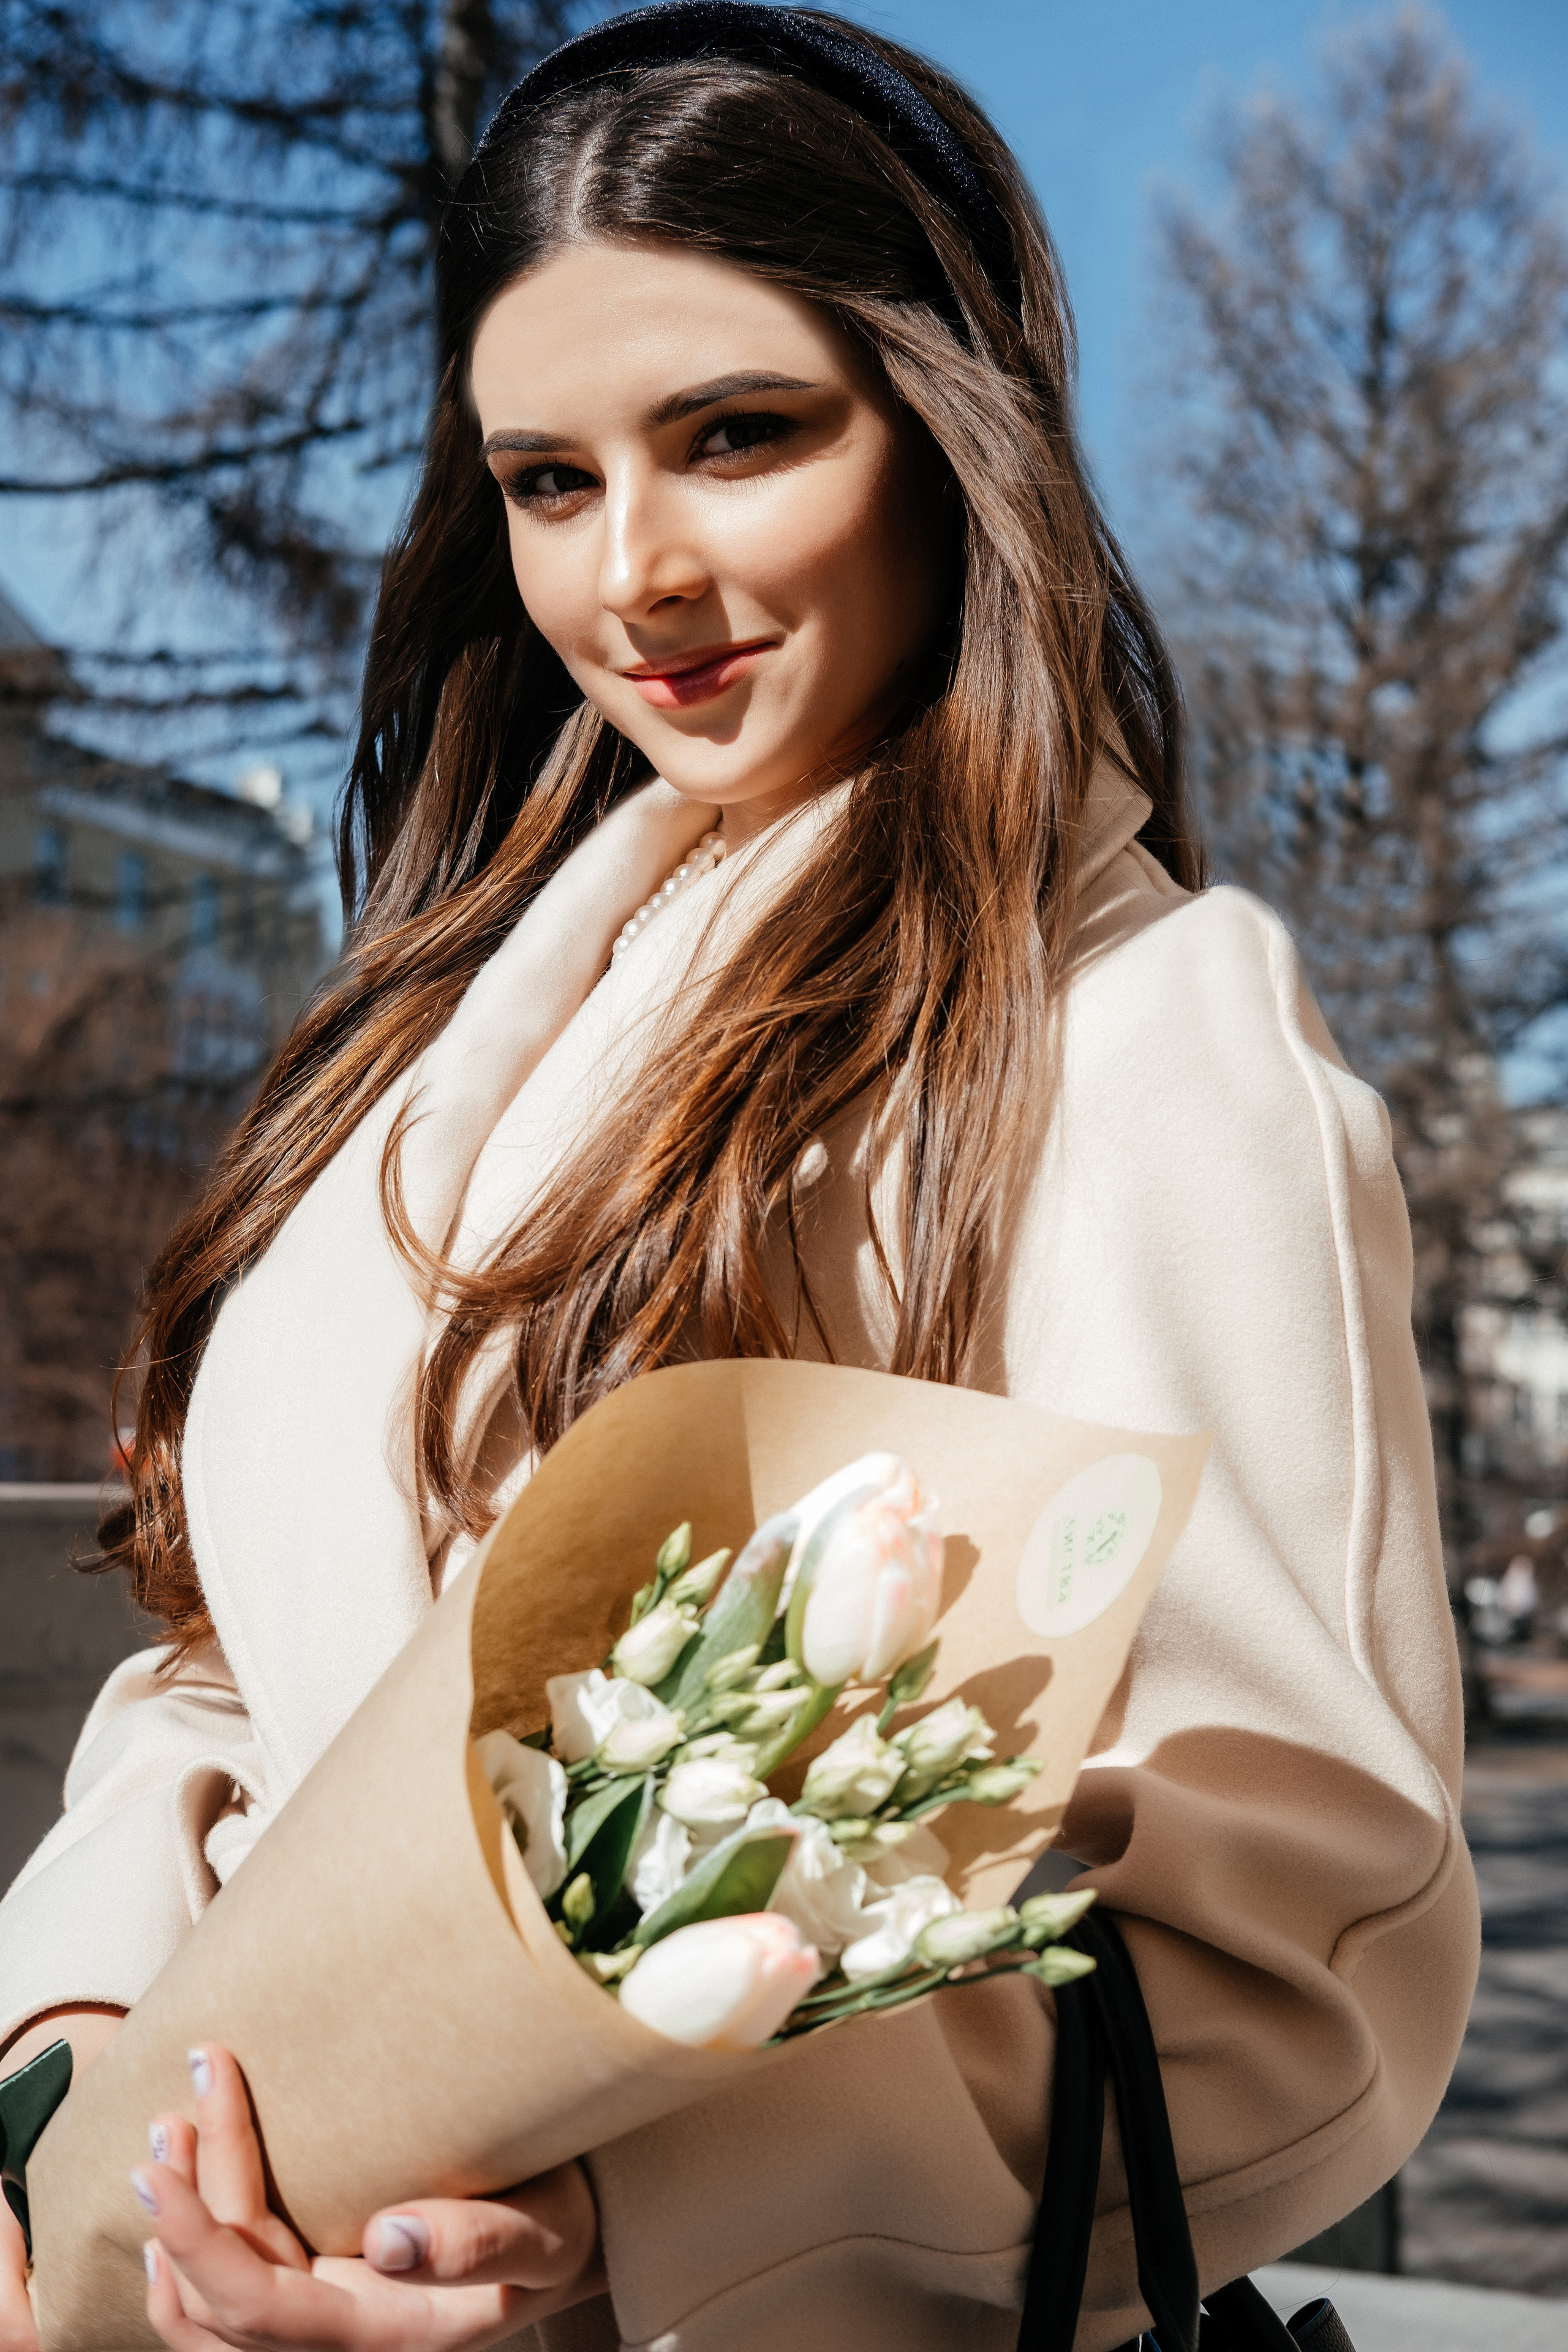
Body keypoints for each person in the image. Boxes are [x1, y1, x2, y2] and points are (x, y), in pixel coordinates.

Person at [0, 7, 1479, 2349]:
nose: (638, 575)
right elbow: (234, 1665)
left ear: (943, 428)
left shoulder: (1146, 1040)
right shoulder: (456, 1019)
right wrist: (83, 2072)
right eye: (550, 480)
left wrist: (643, 2200)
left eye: (738, 436)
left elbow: (1296, 1940)